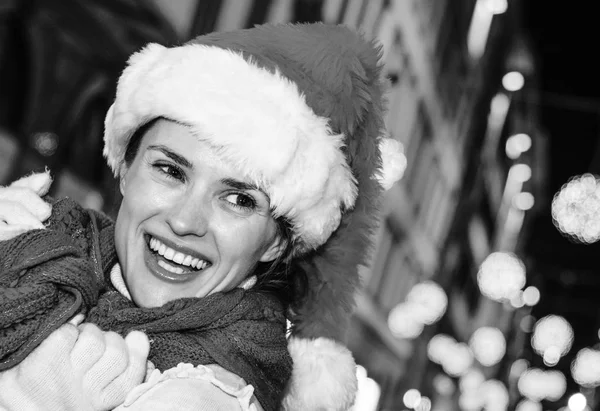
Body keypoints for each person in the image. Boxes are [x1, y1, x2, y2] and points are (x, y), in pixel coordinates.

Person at [0, 22, 405, 411]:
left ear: (277, 242)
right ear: (126, 169)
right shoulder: (36, 251)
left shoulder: (209, 395)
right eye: (171, 171)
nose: (184, 221)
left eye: (238, 200)